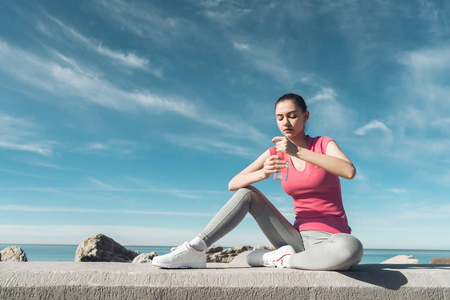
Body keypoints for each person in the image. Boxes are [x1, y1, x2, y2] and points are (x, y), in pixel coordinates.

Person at [152, 93, 363, 271]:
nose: (286, 123)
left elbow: (349, 170)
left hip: (330, 239)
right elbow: (234, 183)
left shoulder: (322, 143)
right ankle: (197, 248)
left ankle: (278, 259)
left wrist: (298, 152)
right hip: (294, 239)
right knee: (247, 193)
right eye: (280, 118)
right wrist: (262, 173)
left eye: (292, 116)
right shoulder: (275, 152)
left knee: (351, 248)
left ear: (305, 116)